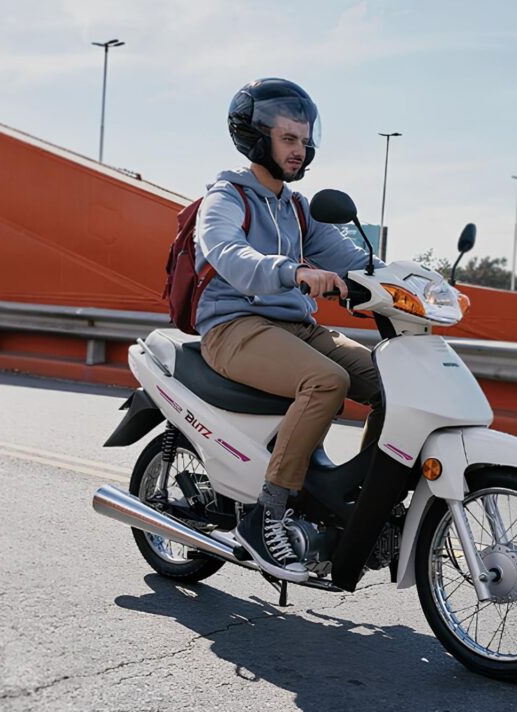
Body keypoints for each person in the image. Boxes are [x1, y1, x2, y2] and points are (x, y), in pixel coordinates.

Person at [194, 78, 385, 579]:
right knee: (327, 381)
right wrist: (294, 272)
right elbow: (229, 254)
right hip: (234, 326)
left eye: (304, 140)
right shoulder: (227, 197)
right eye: (289, 140)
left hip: (293, 328)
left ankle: (364, 505)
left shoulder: (297, 209)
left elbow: (354, 257)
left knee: (393, 381)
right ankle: (268, 514)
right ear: (259, 140)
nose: (301, 150)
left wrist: (407, 283)